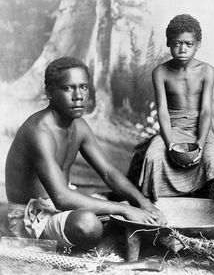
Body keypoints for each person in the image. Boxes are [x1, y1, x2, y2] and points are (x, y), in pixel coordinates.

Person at [5, 56, 166, 250]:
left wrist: (143, 203)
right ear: (49, 92)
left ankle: (113, 232)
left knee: (128, 198)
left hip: (61, 206)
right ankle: (109, 236)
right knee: (89, 224)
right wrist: (125, 210)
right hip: (31, 218)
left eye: (83, 87)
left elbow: (108, 172)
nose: (78, 96)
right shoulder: (39, 131)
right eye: (68, 88)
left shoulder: (78, 125)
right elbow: (62, 198)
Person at [129, 14, 214, 201]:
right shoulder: (161, 72)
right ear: (169, 43)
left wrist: (201, 143)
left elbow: (205, 111)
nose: (182, 49)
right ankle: (154, 208)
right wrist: (169, 142)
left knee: (212, 159)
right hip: (172, 128)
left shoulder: (207, 71)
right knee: (152, 157)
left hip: (200, 129)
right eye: (176, 43)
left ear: (198, 44)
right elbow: (162, 111)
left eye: (188, 44)